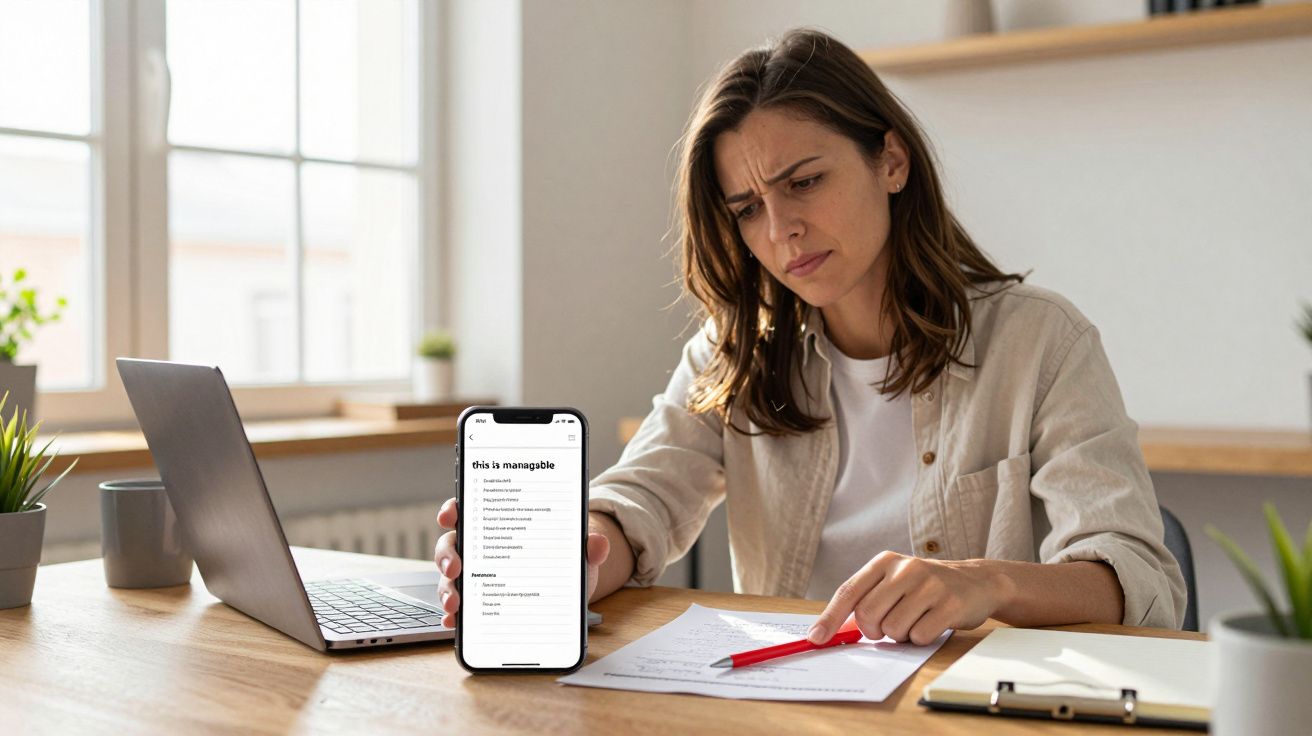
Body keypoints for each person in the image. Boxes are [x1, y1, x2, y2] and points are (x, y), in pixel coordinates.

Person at [433, 28, 1186, 645]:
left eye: (804, 181)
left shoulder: (1041, 344)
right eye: (746, 207)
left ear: (891, 161)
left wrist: (983, 582)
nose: (780, 228)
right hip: (789, 704)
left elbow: (1138, 578)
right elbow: (644, 501)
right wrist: (579, 548)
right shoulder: (737, 354)